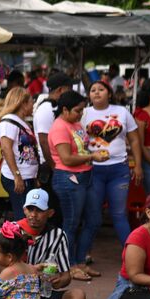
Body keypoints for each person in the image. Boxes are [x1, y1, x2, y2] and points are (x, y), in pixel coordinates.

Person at [21, 190, 95, 299]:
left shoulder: (58, 235)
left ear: (50, 213)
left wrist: (58, 281)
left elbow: (66, 276)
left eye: (38, 210)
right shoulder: (13, 230)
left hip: (45, 295)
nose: (33, 215)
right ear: (24, 210)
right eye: (30, 209)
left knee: (77, 294)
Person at [48, 90, 106, 269]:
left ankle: (80, 260)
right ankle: (69, 264)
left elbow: (80, 150)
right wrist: (93, 157)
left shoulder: (75, 124)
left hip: (85, 176)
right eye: (77, 110)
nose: (81, 114)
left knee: (94, 220)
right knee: (71, 224)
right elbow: (66, 158)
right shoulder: (59, 127)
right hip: (69, 179)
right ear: (64, 110)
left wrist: (94, 152)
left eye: (82, 110)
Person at [83, 79, 142, 251]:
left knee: (119, 214)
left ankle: (130, 254)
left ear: (109, 93)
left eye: (101, 89)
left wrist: (138, 165)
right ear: (89, 95)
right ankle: (81, 257)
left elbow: (134, 139)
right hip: (93, 169)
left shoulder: (122, 112)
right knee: (93, 217)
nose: (96, 92)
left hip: (119, 170)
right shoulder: (84, 113)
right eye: (93, 90)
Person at [0, 86, 38, 215]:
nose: (33, 105)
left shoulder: (20, 122)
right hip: (18, 177)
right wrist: (17, 176)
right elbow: (6, 148)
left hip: (26, 176)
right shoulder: (8, 123)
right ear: (23, 103)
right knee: (23, 217)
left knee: (26, 215)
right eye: (31, 102)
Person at [33, 71, 73, 184]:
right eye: (69, 89)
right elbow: (44, 141)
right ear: (60, 90)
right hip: (50, 166)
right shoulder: (46, 109)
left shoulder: (55, 107)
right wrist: (54, 167)